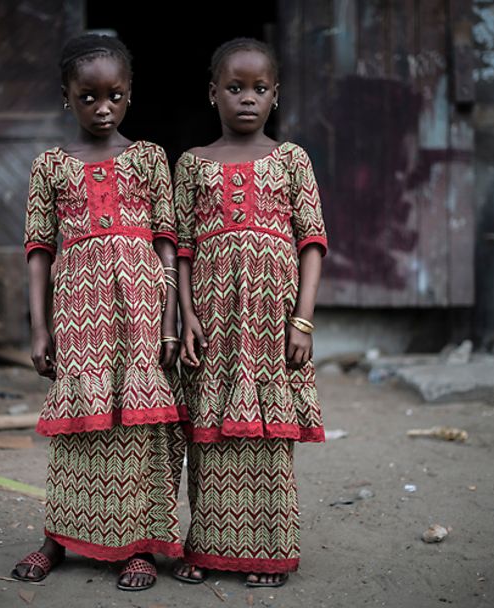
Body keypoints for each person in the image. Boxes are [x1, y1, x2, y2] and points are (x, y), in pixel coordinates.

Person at [13, 33, 186, 592]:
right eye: (88, 97)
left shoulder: (151, 158)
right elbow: (39, 250)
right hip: (78, 309)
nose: (102, 107)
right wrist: (39, 327)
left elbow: (166, 242)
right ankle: (58, 537)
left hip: (139, 308)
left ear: (130, 94)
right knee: (79, 427)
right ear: (67, 97)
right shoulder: (50, 166)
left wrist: (167, 322)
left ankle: (137, 544)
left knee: (138, 426)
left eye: (114, 95)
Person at [171, 37, 327, 588]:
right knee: (208, 433)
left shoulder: (292, 160)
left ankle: (271, 551)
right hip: (213, 321)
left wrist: (302, 320)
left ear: (276, 96)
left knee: (266, 433)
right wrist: (184, 315)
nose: (247, 99)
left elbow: (311, 242)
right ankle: (207, 546)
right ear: (213, 93)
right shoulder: (192, 164)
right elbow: (182, 248)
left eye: (259, 89)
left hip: (270, 324)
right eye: (234, 88)